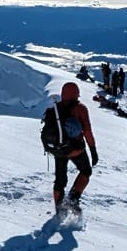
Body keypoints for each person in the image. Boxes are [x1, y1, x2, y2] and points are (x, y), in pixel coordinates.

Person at [41, 81, 98, 213]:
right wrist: (93, 150)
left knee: (60, 180)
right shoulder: (80, 108)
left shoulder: (56, 109)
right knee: (86, 171)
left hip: (58, 149)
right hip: (76, 149)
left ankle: (59, 209)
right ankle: (72, 198)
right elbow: (87, 131)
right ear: (76, 93)